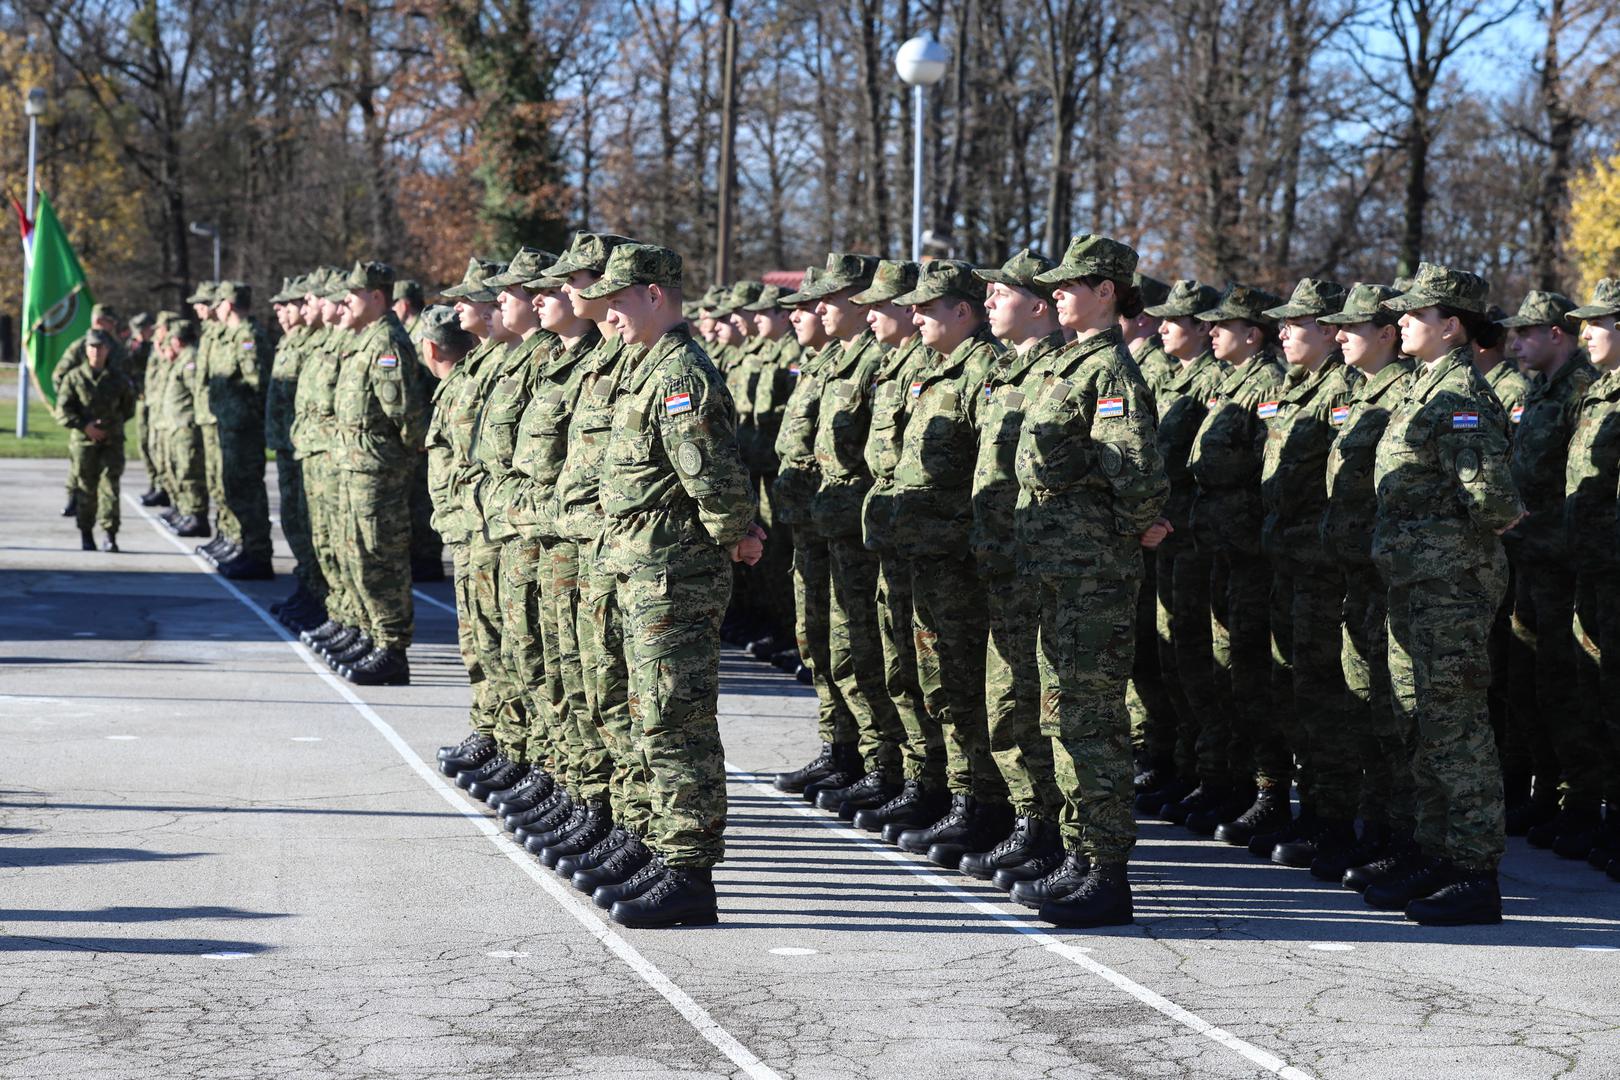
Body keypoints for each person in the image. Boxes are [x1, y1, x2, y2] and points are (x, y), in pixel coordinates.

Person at [576, 242, 759, 929]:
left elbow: (709, 474)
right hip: (639, 569)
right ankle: (661, 847)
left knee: (676, 720)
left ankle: (689, 872)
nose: (610, 313)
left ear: (655, 295)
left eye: (619, 300)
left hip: (673, 575)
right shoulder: (645, 368)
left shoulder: (680, 373)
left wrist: (739, 532)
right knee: (647, 716)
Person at [1005, 234, 1168, 928]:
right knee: (1064, 716)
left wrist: (1140, 522)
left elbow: (1134, 470)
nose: (1057, 295)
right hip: (1059, 572)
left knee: (1093, 721)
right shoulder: (1072, 366)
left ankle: (1107, 871)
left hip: (1092, 574)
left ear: (1109, 292)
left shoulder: (1112, 375)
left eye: (1073, 285)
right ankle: (1078, 855)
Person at [1363, 261, 1523, 926]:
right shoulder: (1422, 387)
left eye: (1414, 314)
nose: (1400, 322)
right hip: (1417, 584)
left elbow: (1495, 502)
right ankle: (1436, 852)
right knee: (1421, 722)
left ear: (1451, 326)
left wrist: (1436, 544)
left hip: (1450, 586)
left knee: (1456, 729)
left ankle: (1474, 871)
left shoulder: (1458, 397)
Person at [885, 259, 1014, 867]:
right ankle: (956, 794)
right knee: (936, 681)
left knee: (964, 684)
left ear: (961, 311)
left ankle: (982, 804)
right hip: (926, 552)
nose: (914, 316)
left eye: (926, 307)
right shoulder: (935, 369)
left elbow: (992, 470)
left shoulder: (984, 372)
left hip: (959, 556)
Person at [959, 248, 1069, 885]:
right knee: (1005, 695)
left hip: (1039, 564)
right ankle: (1028, 819)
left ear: (1037, 305)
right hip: (1000, 560)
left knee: (1038, 698)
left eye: (1001, 295)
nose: (989, 304)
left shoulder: (1058, 377)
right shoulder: (1006, 374)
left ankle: (1051, 829)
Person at [1252, 278, 1358, 868]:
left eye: (1298, 323)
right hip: (1288, 561)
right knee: (1293, 690)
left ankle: (1333, 817)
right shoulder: (1296, 389)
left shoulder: (1339, 393)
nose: (1284, 332)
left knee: (1324, 695)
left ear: (1330, 330)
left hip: (1323, 568)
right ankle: (1305, 807)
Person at [1180, 285, 1286, 849]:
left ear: (1252, 333)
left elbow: (1267, 471)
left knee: (1251, 671)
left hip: (1250, 551)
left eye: (1224, 325)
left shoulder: (1266, 384)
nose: (1211, 332)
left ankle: (1264, 789)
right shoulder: (1230, 383)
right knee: (1221, 668)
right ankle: (1225, 778)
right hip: (1220, 546)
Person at [1315, 283, 1414, 884]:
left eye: (1354, 326)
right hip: (1353, 574)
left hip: (1389, 575)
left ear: (1388, 335)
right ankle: (1373, 830)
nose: (1340, 334)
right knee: (1367, 714)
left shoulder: (1405, 394)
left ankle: (1401, 837)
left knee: (1395, 714)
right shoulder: (1353, 391)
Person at [1499, 291, 1602, 858]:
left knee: (1569, 683)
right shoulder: (1540, 391)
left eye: (1528, 333)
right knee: (1532, 682)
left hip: (1562, 560)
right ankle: (1546, 791)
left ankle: (1581, 800)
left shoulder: (1581, 392)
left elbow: (1575, 485)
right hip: (1528, 558)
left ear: (1556, 335)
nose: (1516, 342)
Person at [1134, 279, 1224, 815]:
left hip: (1201, 541)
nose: (1160, 326)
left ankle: (1208, 772)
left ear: (1203, 327)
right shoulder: (1171, 379)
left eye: (1174, 319)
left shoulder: (1214, 383)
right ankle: (1177, 761)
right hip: (1172, 538)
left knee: (1202, 661)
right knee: (1170, 659)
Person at [328, 260, 429, 685]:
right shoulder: (365, 339)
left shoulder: (387, 342)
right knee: (358, 555)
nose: (345, 302)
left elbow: (405, 414)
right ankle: (372, 633)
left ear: (376, 297)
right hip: (356, 464)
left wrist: (397, 462)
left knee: (380, 555)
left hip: (378, 468)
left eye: (352, 294)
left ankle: (392, 647)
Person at [1565, 278, 1620, 881]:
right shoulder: (1599, 391)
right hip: (1593, 566)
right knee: (1598, 696)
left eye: (1596, 322)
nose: (1585, 333)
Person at [208, 282, 276, 580]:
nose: (216, 307)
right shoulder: (232, 335)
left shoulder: (247, 336)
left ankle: (258, 554)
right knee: (236, 488)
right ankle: (247, 548)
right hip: (231, 427)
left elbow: (256, 384)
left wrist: (248, 419)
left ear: (230, 304)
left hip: (244, 429)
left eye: (219, 301)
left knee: (248, 490)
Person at [54, 328, 136, 552]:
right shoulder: (74, 377)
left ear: (108, 350)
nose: (96, 351)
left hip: (112, 441)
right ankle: (86, 532)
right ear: (86, 349)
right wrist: (85, 426)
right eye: (92, 347)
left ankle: (110, 533)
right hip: (84, 442)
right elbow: (62, 410)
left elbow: (128, 408)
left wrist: (111, 426)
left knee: (110, 486)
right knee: (85, 488)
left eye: (100, 347)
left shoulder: (118, 378)